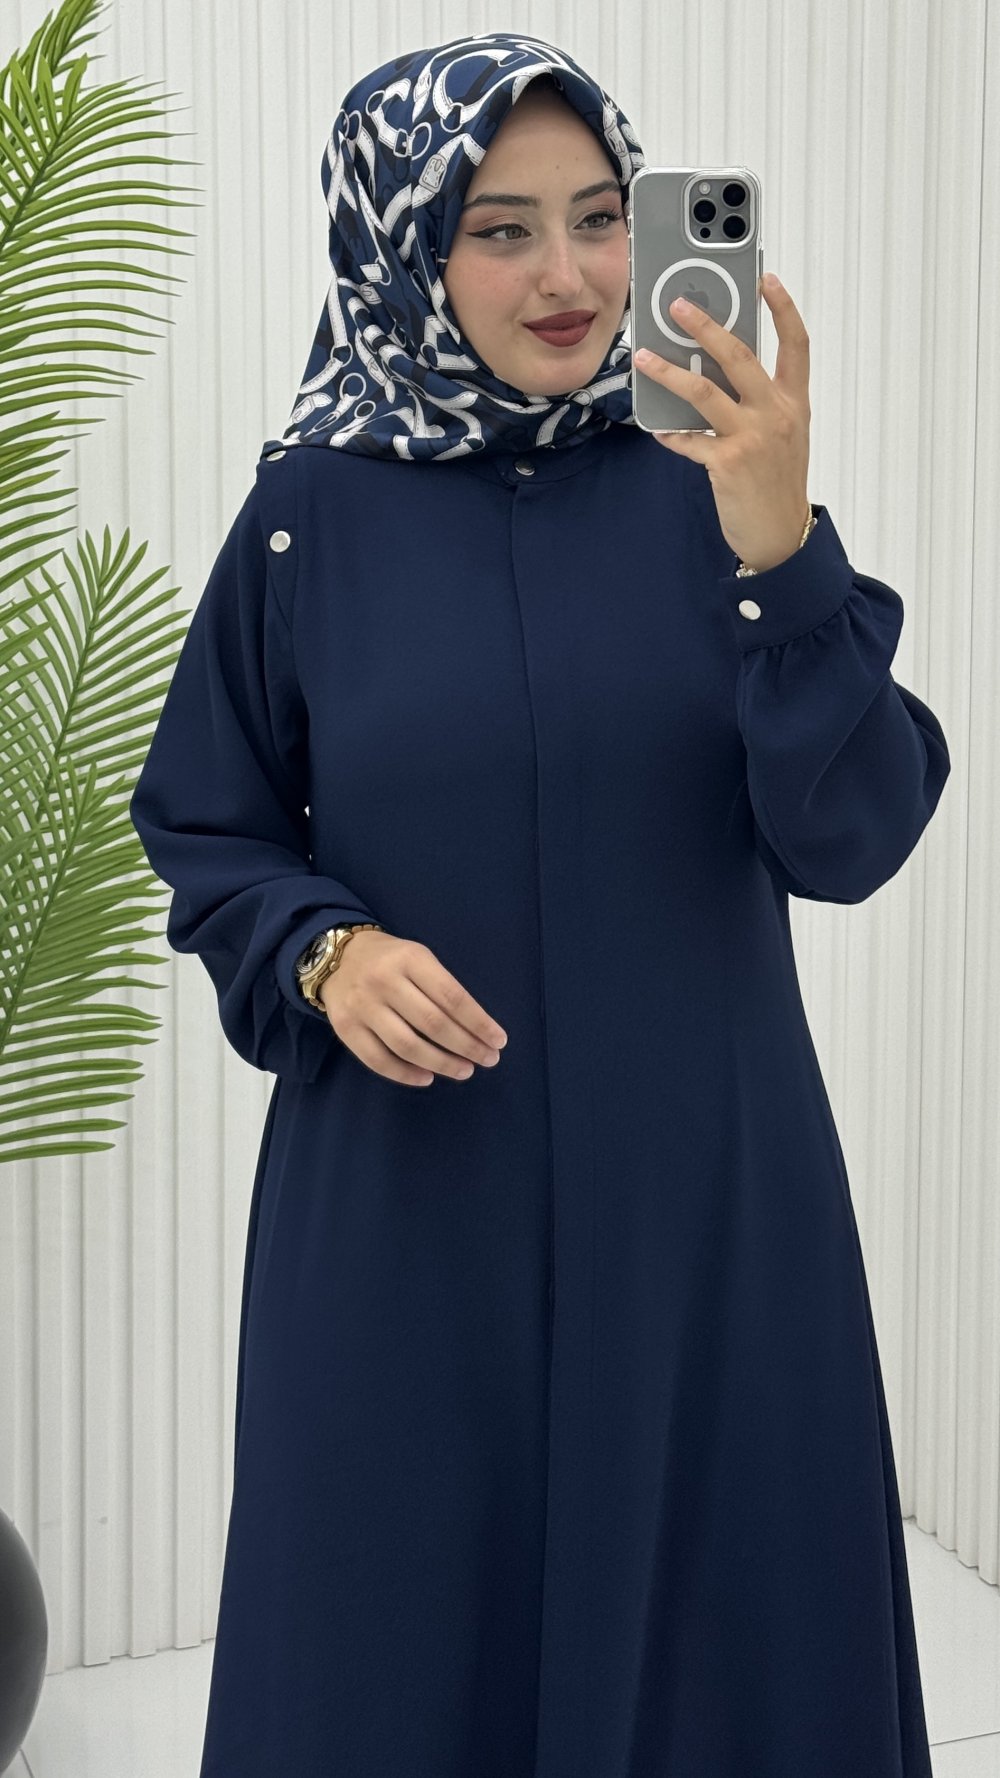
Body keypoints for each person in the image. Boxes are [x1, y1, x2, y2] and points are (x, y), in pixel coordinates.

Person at [128, 30, 950, 1778]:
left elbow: (858, 832)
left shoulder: (717, 486)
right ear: (404, 244)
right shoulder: (306, 518)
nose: (569, 276)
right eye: (500, 229)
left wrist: (780, 546)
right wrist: (322, 948)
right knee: (394, 1639)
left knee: (729, 1646)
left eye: (598, 216)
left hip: (708, 1213)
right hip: (409, 1219)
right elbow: (208, 820)